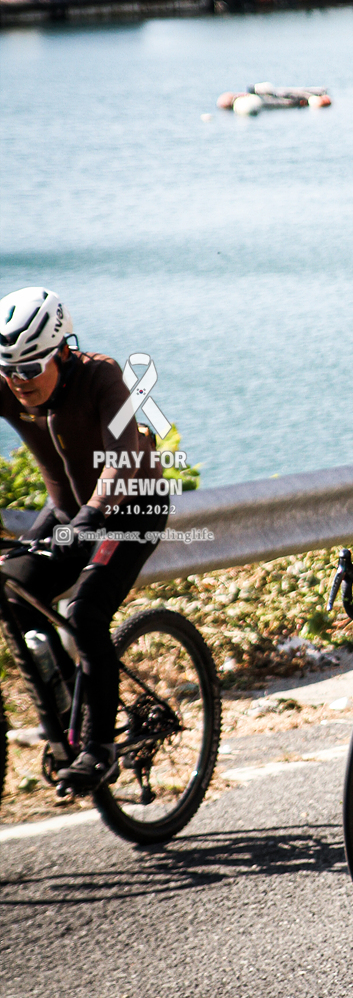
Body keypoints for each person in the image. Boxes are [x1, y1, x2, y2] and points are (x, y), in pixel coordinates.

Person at [0, 287, 168, 792]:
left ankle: (99, 748)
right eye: (10, 370)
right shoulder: (8, 383)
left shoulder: (101, 376)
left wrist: (93, 515)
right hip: (69, 511)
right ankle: (66, 716)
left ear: (62, 352)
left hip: (131, 506)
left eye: (32, 368)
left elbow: (123, 456)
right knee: (16, 592)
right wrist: (78, 518)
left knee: (85, 612)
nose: (20, 381)